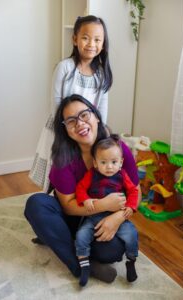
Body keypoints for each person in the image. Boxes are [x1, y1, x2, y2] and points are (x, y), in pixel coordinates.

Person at [24, 94, 141, 285]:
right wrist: (102, 205)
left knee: (112, 251)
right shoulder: (63, 159)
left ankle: (55, 238)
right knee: (36, 204)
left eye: (84, 115)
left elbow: (136, 191)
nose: (79, 123)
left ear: (96, 116)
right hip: (72, 217)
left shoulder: (117, 149)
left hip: (101, 220)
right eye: (71, 121)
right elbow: (68, 206)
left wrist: (118, 217)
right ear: (66, 130)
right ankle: (80, 266)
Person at [29, 15, 113, 191]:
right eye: (85, 38)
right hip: (63, 127)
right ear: (75, 39)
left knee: (83, 166)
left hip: (88, 129)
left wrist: (101, 128)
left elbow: (103, 104)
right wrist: (65, 128)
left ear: (103, 44)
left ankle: (80, 198)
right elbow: (56, 101)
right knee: (60, 164)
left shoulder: (101, 74)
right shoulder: (65, 68)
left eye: (97, 39)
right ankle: (54, 196)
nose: (91, 44)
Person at [75, 134, 139, 286]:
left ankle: (131, 261)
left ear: (121, 162)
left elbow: (133, 191)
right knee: (81, 235)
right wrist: (86, 199)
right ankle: (84, 267)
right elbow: (80, 188)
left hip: (118, 217)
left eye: (114, 162)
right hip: (94, 217)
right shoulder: (91, 175)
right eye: (103, 162)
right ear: (95, 163)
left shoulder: (122, 175)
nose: (109, 167)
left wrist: (130, 206)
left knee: (131, 234)